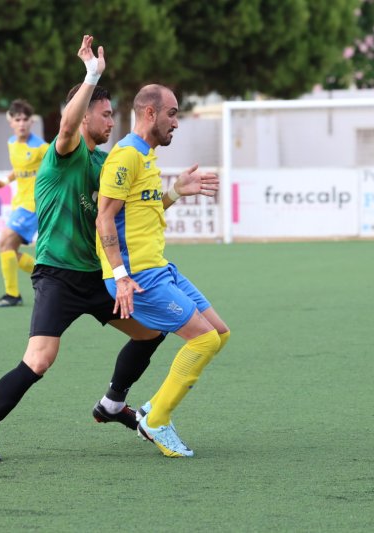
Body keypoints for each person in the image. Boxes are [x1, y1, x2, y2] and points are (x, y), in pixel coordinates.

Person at [0, 36, 215, 462]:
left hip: (100, 275)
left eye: (114, 114)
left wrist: (172, 195)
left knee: (151, 331)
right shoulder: (64, 153)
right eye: (105, 113)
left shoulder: (104, 163)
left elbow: (125, 215)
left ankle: (113, 403)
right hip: (58, 275)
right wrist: (91, 76)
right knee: (40, 360)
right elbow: (65, 128)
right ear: (82, 114)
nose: (112, 121)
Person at [96, 84, 230, 458]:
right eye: (172, 113)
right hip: (137, 277)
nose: (177, 122)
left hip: (159, 268)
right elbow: (104, 220)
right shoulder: (125, 157)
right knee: (202, 340)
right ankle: (155, 421)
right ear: (150, 113)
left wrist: (175, 193)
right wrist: (121, 276)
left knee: (219, 333)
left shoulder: (147, 155)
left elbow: (140, 215)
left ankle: (150, 412)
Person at [0, 100, 49, 308]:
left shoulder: (41, 147)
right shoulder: (12, 143)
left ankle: (12, 294)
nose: (21, 123)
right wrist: (5, 181)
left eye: (25, 119)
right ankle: (48, 277)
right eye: (17, 119)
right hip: (19, 202)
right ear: (11, 122)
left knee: (3, 242)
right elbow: (19, 171)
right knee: (10, 249)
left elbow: (57, 167)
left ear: (31, 121)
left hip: (33, 204)